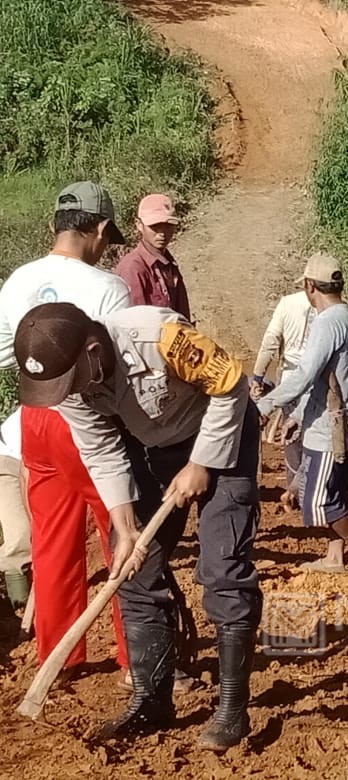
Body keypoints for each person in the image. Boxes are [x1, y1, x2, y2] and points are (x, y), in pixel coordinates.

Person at [15, 301, 261, 752]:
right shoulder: (69, 384)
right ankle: (152, 699)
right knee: (133, 572)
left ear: (93, 349)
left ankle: (232, 707)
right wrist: (124, 526)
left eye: (70, 381)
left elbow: (230, 384)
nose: (67, 392)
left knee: (223, 569)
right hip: (153, 450)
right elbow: (103, 449)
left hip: (222, 435)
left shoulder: (160, 336)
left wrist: (202, 463)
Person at [0, 181, 130, 675]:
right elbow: (117, 368)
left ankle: (60, 658)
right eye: (106, 238)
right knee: (120, 533)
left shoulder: (17, 280)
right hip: (87, 420)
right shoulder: (107, 287)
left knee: (52, 542)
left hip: (34, 419)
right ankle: (132, 652)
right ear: (97, 230)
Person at [256, 254, 348, 575]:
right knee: (336, 493)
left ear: (310, 287)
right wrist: (299, 415)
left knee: (319, 501)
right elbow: (328, 378)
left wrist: (265, 406)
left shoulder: (328, 322)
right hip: (343, 419)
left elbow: (306, 374)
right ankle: (335, 558)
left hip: (329, 428)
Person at [252, 287, 314, 503]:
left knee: (292, 437)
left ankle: (294, 492)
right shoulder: (333, 306)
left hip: (291, 379)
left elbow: (271, 341)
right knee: (315, 436)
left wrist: (258, 376)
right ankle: (314, 489)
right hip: (319, 381)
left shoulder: (287, 303)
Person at [115, 194, 191, 319]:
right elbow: (136, 324)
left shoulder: (167, 261)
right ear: (139, 225)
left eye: (168, 225)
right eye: (154, 226)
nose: (162, 233)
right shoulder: (132, 268)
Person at [0, 407, 31, 612]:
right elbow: (26, 470)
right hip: (8, 464)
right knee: (20, 534)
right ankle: (20, 605)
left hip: (32, 465)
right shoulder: (35, 414)